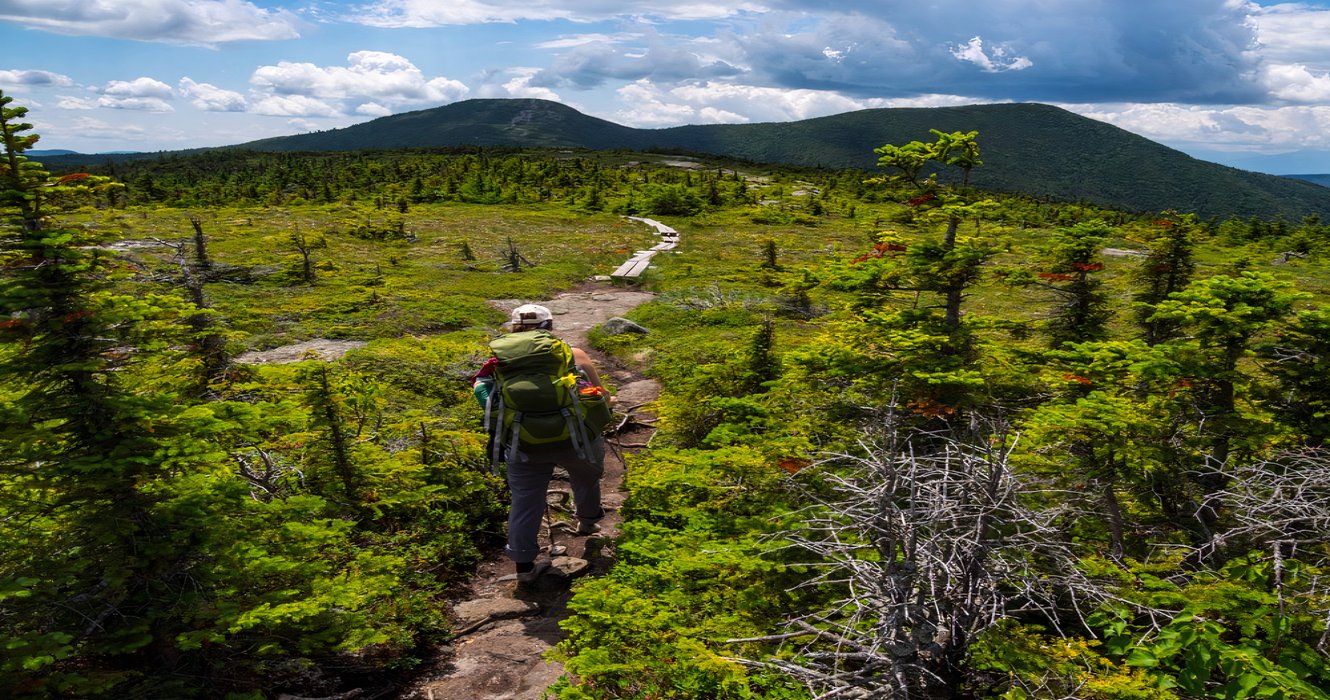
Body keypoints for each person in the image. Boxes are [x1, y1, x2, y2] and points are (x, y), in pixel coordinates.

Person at [474, 304, 608, 585]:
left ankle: (524, 567)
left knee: (525, 500)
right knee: (586, 477)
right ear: (549, 326)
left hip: (523, 442)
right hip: (575, 438)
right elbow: (601, 394)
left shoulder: (498, 361)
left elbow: (483, 393)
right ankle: (587, 522)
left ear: (513, 328)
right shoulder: (574, 354)